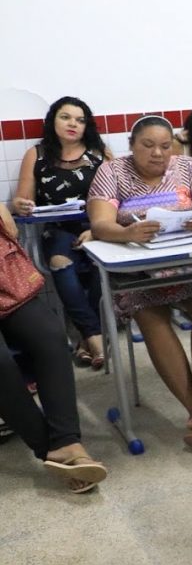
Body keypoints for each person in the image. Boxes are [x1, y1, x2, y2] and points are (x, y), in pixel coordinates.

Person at [87, 115, 192, 447]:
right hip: (138, 272)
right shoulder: (112, 172)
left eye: (165, 146)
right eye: (148, 145)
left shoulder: (188, 167)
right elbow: (99, 224)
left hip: (186, 265)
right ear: (131, 145)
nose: (158, 153)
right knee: (151, 313)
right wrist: (127, 232)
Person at [0, 200, 108, 493]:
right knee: (2, 366)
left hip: (7, 285)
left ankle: (66, 442)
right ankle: (56, 450)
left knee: (51, 338)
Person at [12, 96, 112, 368]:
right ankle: (94, 336)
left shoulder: (98, 153)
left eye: (80, 120)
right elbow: (22, 201)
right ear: (53, 120)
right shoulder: (38, 153)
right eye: (65, 117)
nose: (73, 124)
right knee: (60, 262)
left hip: (98, 227)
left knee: (97, 266)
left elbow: (117, 198)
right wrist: (21, 205)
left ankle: (84, 339)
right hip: (57, 230)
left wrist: (97, 230)